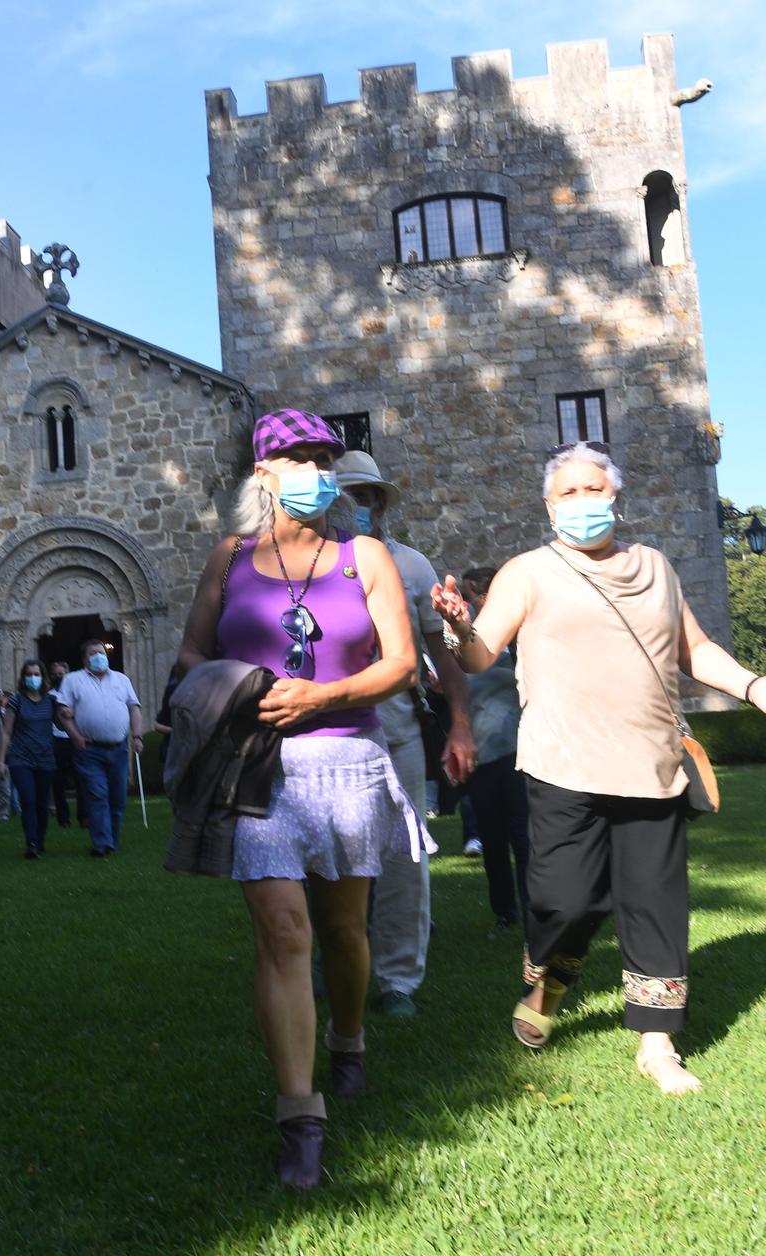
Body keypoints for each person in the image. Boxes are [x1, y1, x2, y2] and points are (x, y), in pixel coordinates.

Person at [431, 444, 766, 1094]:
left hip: (651, 764)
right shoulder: (527, 572)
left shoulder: (657, 568)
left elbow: (695, 648)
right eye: (569, 493)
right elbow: (476, 654)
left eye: (593, 488)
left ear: (616, 495)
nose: (583, 501)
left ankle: (658, 1044)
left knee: (655, 903)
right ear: (551, 506)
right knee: (564, 899)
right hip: (562, 764)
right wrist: (458, 626)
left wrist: (752, 686)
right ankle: (550, 978)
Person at [176, 408, 427, 1189]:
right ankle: (301, 1116)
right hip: (256, 764)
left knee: (344, 929)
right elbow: (190, 650)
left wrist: (321, 697)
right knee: (284, 931)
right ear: (263, 472)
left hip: (347, 756)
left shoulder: (367, 556)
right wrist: (228, 687)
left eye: (324, 456)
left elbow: (403, 665)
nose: (314, 469)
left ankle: (347, 1037)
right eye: (296, 456)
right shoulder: (229, 559)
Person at [332, 451, 476, 1018]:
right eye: (350, 497)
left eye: (369, 497)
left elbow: (443, 653)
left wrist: (460, 723)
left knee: (403, 859)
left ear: (381, 505)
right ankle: (332, 957)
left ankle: (397, 980)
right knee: (331, 852)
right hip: (328, 731)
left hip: (396, 730)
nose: (360, 507)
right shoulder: (310, 566)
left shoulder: (411, 566)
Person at [457, 566, 531, 932]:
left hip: (519, 754)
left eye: (472, 597)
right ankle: (505, 911)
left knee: (524, 836)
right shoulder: (462, 644)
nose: (470, 605)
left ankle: (535, 910)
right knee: (493, 839)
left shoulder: (518, 640)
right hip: (480, 756)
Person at [54, 638, 144, 858]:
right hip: (90, 749)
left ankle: (112, 838)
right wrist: (75, 736)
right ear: (85, 659)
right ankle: (101, 844)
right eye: (94, 653)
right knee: (97, 794)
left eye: (102, 652)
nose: (99, 656)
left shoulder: (122, 680)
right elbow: (62, 710)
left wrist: (138, 735)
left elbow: (134, 708)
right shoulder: (72, 680)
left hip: (119, 748)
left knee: (118, 797)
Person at [0, 659, 59, 858]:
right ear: (23, 678)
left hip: (45, 758)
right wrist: (1, 761)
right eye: (29, 674)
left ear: (43, 677)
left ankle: (40, 841)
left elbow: (63, 725)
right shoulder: (16, 701)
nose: (33, 678)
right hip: (21, 758)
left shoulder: (51, 701)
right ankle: (31, 843)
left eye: (36, 674)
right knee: (28, 800)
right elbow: (6, 732)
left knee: (41, 803)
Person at [46, 660, 78, 828]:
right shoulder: (50, 696)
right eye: (57, 674)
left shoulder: (76, 694)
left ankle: (84, 815)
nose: (60, 677)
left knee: (81, 778)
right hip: (57, 740)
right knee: (58, 781)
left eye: (62, 674)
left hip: (75, 739)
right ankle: (63, 818)